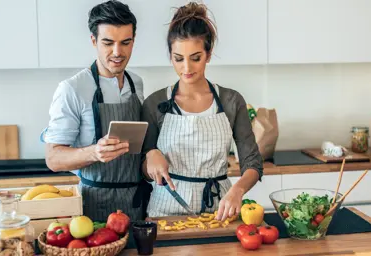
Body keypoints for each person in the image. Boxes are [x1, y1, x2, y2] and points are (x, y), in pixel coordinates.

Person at [141, 2, 263, 221]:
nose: (186, 68)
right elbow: (142, 168)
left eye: (195, 58)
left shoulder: (231, 101)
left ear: (208, 54)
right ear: (170, 56)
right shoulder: (155, 103)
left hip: (220, 211)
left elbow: (252, 162)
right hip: (166, 213)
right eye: (179, 59)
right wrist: (150, 156)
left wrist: (237, 191)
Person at [42, 0, 150, 222]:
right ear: (94, 41)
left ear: (134, 41)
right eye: (108, 43)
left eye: (125, 43)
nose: (117, 52)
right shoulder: (72, 89)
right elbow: (53, 158)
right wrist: (94, 152)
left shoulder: (136, 83)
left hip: (136, 203)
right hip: (93, 207)